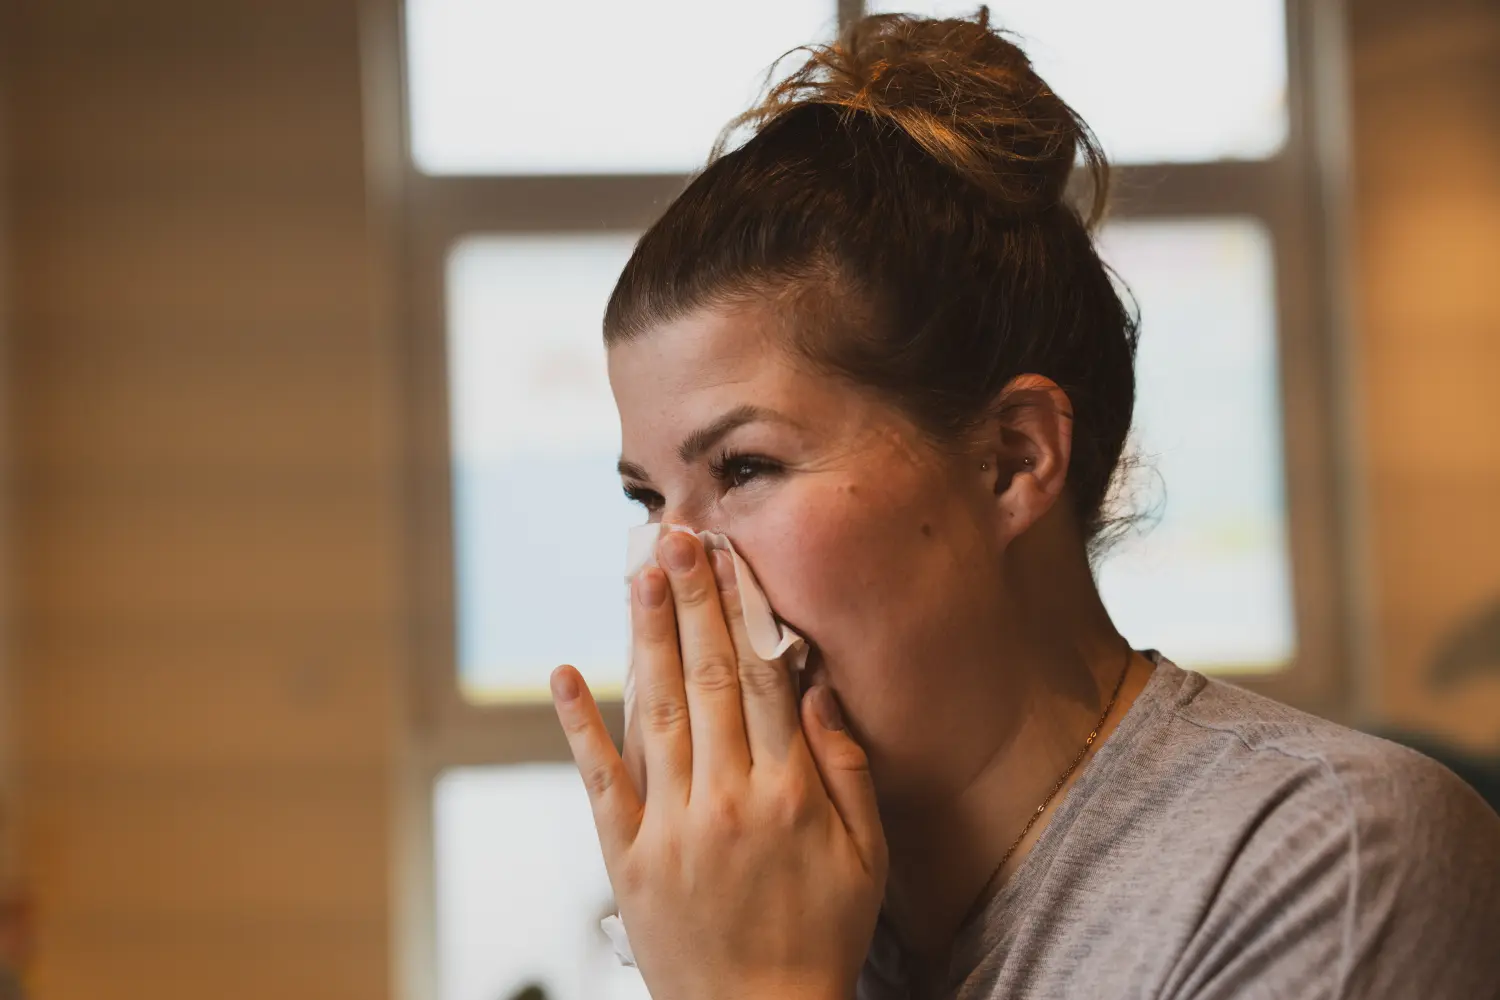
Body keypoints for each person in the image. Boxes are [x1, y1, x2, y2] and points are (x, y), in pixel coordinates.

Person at [547, 9, 1500, 999]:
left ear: (1011, 461)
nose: (672, 566)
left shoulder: (1332, 863)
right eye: (648, 496)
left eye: (743, 469)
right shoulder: (779, 906)